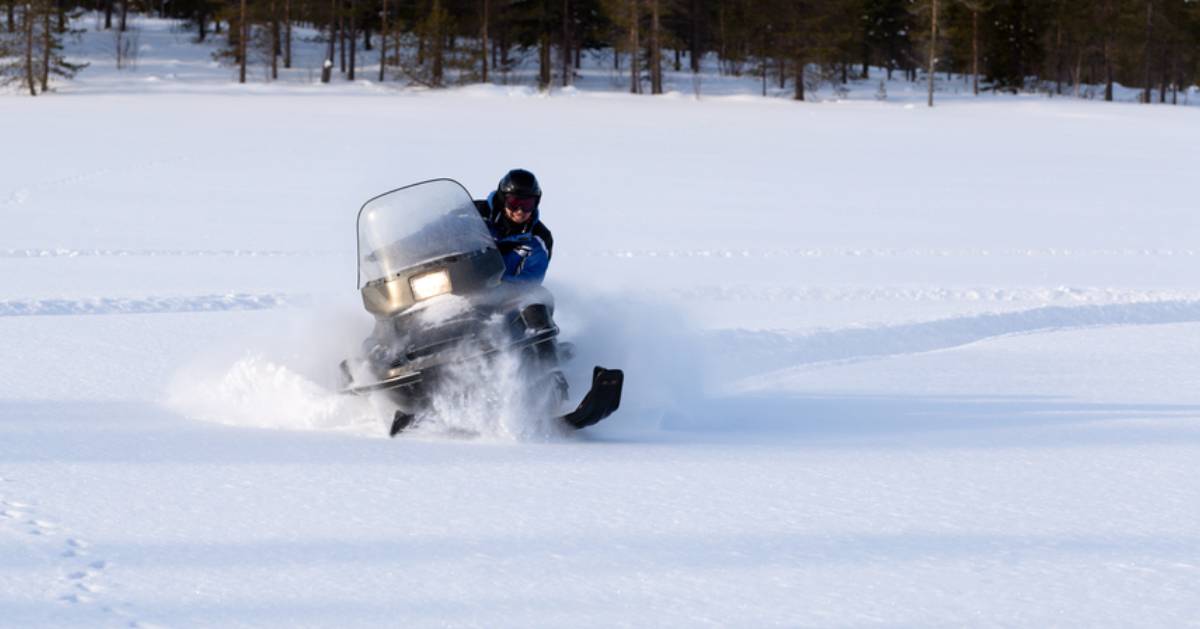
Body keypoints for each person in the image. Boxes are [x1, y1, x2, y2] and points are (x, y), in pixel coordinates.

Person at [475, 169, 554, 283]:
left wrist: (500, 284)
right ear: (503, 199)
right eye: (514, 203)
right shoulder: (475, 213)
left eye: (527, 204)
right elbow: (445, 227)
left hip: (503, 294)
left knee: (539, 300)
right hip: (457, 277)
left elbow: (531, 280)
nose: (520, 211)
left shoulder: (539, 239)